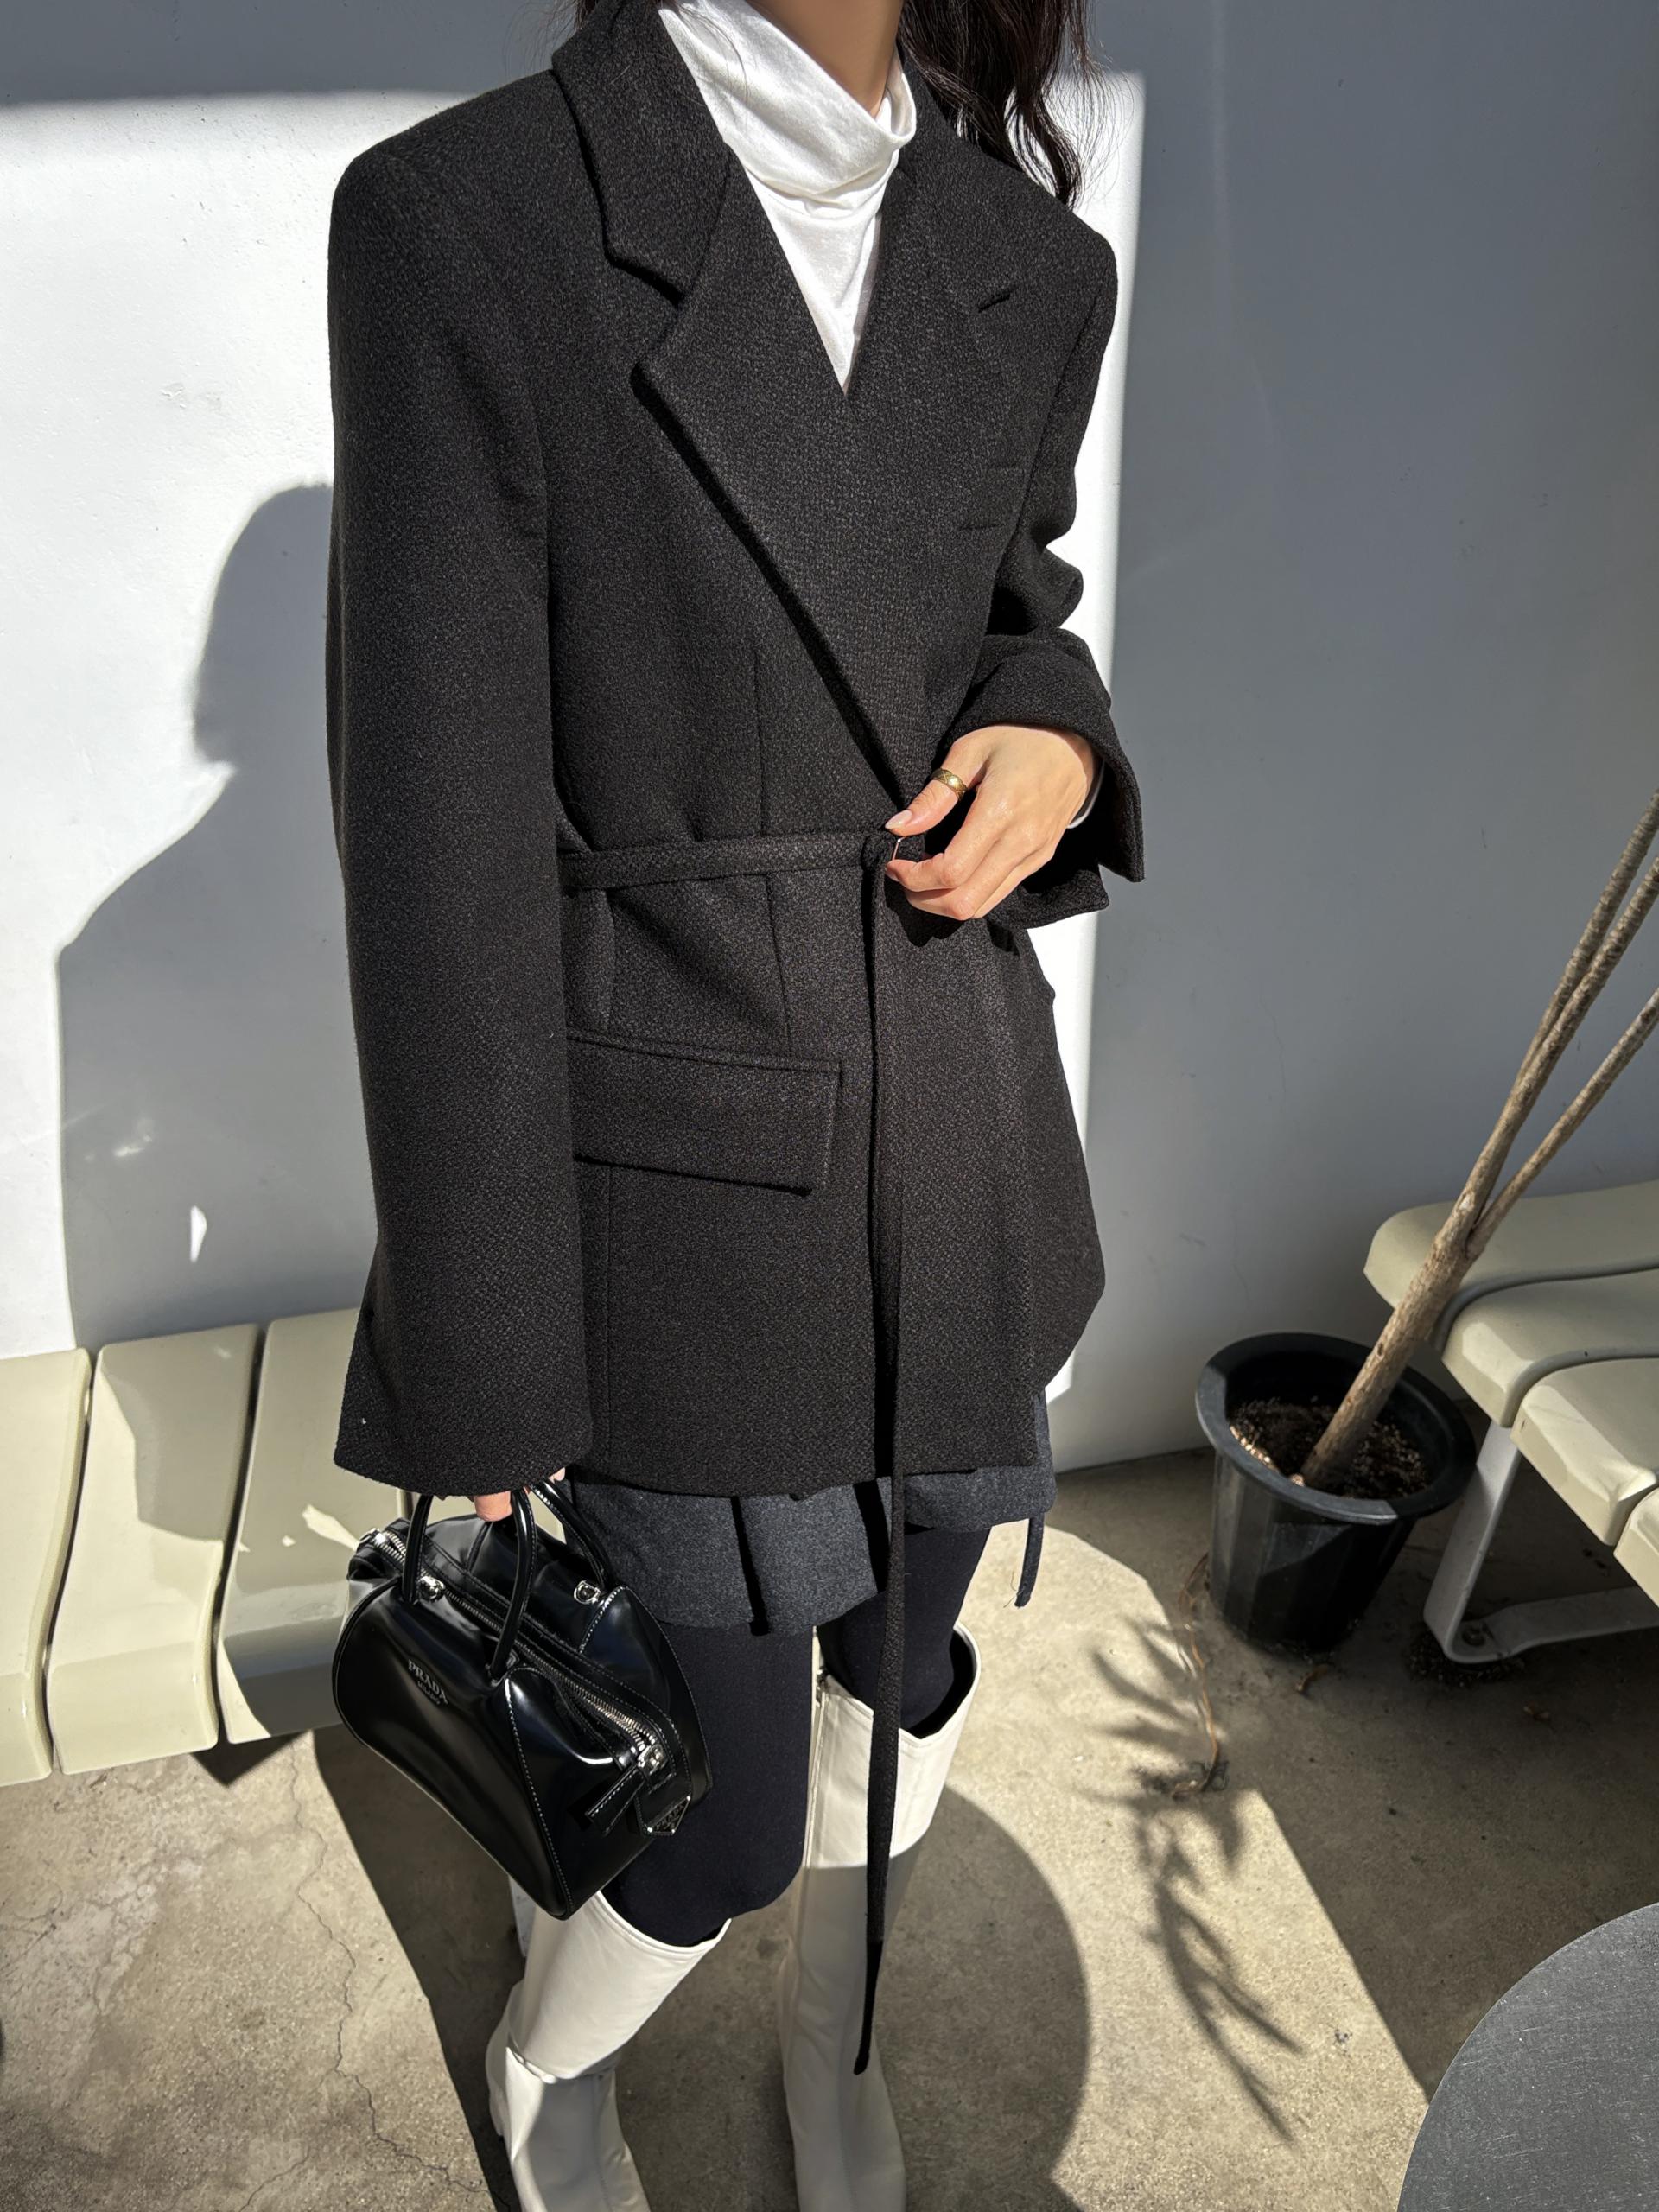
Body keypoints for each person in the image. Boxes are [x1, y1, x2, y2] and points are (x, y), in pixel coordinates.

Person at [323, 0, 1142, 2202]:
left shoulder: (1027, 260)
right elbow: (439, 848)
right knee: (718, 1806)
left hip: (960, 1135)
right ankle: (547, 2060)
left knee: (911, 1665)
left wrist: (1057, 729)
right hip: (675, 1190)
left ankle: (833, 2041)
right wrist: (485, 1363)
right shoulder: (471, 220)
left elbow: (1011, 608)